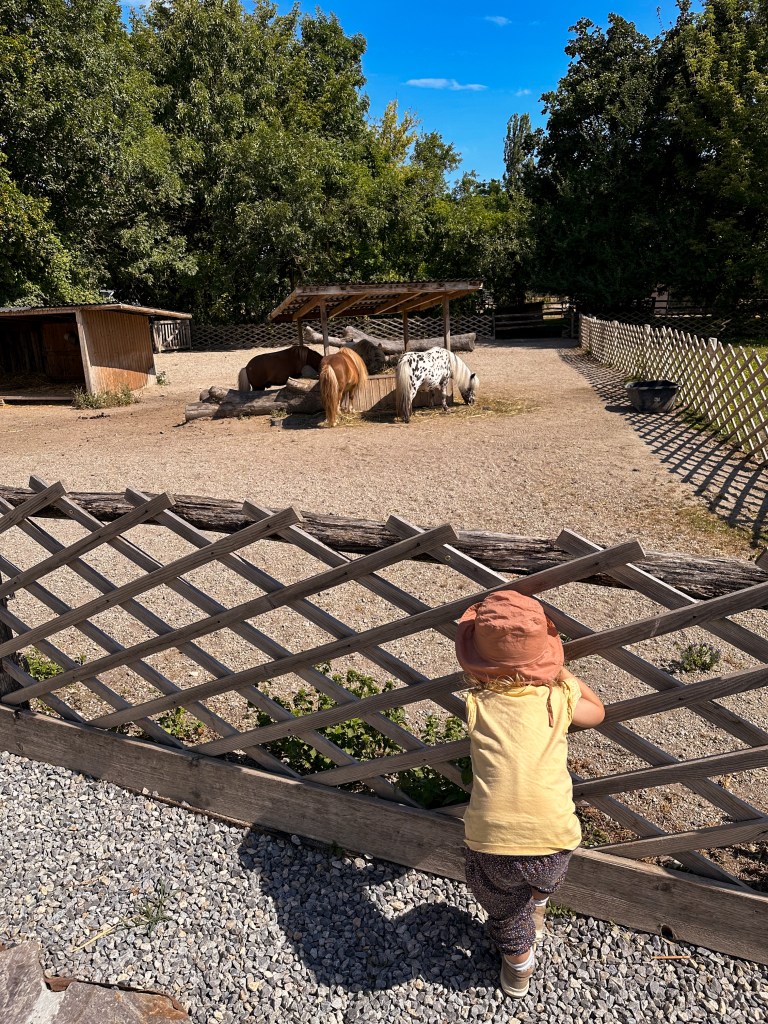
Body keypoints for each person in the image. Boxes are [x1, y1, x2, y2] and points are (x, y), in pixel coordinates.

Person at [454, 589, 606, 999]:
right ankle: (538, 904)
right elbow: (597, 713)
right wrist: (564, 675)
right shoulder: (559, 697)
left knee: (504, 910)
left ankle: (519, 967)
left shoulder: (477, 703)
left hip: (492, 840)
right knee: (543, 877)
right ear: (546, 657)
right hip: (555, 837)